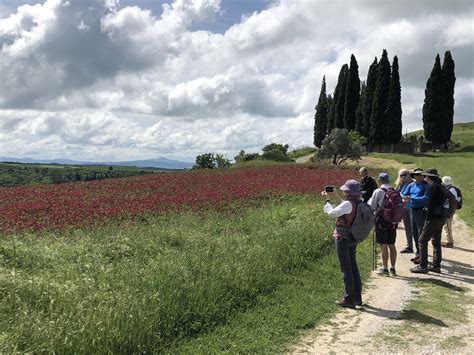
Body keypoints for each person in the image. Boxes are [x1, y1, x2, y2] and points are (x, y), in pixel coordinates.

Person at [323, 179, 363, 308]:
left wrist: (327, 201)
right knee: (353, 267)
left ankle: (349, 299)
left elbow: (331, 213)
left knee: (346, 269)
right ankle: (357, 298)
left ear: (348, 191)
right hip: (353, 238)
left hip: (343, 238)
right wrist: (336, 196)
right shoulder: (358, 202)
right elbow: (345, 208)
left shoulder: (348, 204)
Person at [410, 169, 446, 274]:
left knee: (422, 240)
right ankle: (436, 265)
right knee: (436, 241)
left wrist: (427, 218)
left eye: (425, 176)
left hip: (433, 218)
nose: (424, 178)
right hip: (441, 217)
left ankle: (423, 266)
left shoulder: (432, 187)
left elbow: (429, 204)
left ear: (429, 177)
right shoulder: (441, 186)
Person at [368, 172, 397, 276]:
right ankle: (393, 268)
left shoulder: (378, 191)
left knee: (383, 245)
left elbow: (372, 206)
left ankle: (385, 269)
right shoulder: (394, 190)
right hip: (393, 221)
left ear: (380, 181)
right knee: (392, 244)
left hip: (382, 221)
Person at [401, 168, 428, 263]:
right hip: (413, 209)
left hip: (421, 210)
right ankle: (418, 252)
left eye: (420, 175)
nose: (419, 176)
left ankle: (422, 254)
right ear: (414, 176)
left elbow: (425, 198)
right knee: (414, 231)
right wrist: (406, 197)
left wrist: (412, 198)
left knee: (421, 231)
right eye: (417, 175)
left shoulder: (425, 186)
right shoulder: (411, 185)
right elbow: (404, 194)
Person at [396, 169, 414, 254]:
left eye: (405, 175)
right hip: (404, 208)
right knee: (407, 228)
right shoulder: (401, 184)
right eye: (401, 175)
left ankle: (419, 248)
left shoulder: (413, 183)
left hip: (412, 208)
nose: (403, 177)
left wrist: (402, 196)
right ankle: (409, 246)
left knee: (413, 228)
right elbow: (396, 193)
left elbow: (410, 195)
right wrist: (399, 184)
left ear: (409, 174)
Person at [441, 176, 458, 248]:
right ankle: (449, 240)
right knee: (446, 226)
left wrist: (450, 212)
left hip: (449, 211)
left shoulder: (451, 190)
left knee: (448, 226)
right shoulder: (451, 189)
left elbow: (452, 202)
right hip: (449, 210)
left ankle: (450, 242)